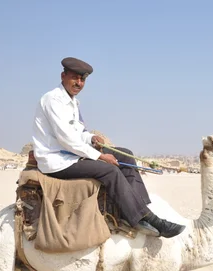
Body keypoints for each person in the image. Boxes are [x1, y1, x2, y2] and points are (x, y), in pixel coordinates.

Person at [31, 57, 185, 238]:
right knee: (109, 170)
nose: (79, 83)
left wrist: (91, 138)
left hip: (71, 154)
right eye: (75, 78)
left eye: (83, 80)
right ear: (63, 76)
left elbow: (78, 132)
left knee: (126, 155)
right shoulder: (53, 100)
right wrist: (100, 156)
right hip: (58, 160)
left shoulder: (72, 101)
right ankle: (144, 217)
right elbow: (66, 139)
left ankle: (139, 209)